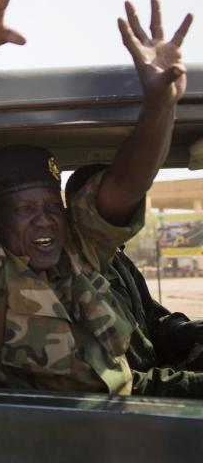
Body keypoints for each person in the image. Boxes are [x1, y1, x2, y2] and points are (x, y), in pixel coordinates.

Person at [0, 0, 194, 394]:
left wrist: (160, 105)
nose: (44, 218)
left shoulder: (79, 253)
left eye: (49, 205)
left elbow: (125, 186)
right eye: (25, 208)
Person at [66, 165, 203, 396]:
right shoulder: (67, 276)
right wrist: (192, 384)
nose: (127, 212)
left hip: (154, 380)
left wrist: (185, 331)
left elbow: (150, 318)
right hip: (130, 407)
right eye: (115, 204)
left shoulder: (118, 259)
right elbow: (111, 384)